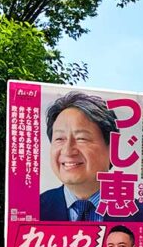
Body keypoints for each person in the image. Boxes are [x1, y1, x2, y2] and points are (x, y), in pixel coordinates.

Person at [39, 92, 118, 221]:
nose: (68, 150)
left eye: (81, 138)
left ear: (112, 148)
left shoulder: (139, 214)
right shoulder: (34, 209)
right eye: (59, 138)